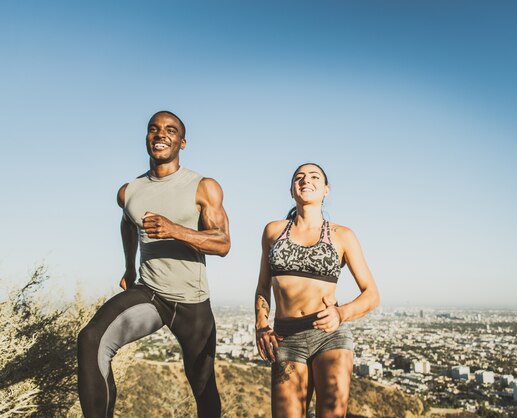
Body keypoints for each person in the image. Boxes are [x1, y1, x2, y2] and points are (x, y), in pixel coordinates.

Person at [77, 111, 230, 418]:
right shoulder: (128, 192)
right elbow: (127, 223)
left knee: (203, 388)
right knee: (90, 339)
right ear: (147, 138)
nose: (161, 134)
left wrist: (175, 230)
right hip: (150, 293)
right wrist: (129, 267)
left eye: (170, 130)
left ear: (182, 142)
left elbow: (223, 243)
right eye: (154, 129)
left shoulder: (203, 186)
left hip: (192, 302)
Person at [254, 163, 380, 418]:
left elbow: (371, 294)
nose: (305, 180)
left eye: (314, 177)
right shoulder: (273, 231)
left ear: (326, 190)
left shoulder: (342, 235)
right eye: (299, 178)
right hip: (286, 338)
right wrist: (260, 324)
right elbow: (263, 286)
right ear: (291, 190)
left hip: (329, 336)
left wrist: (341, 314)